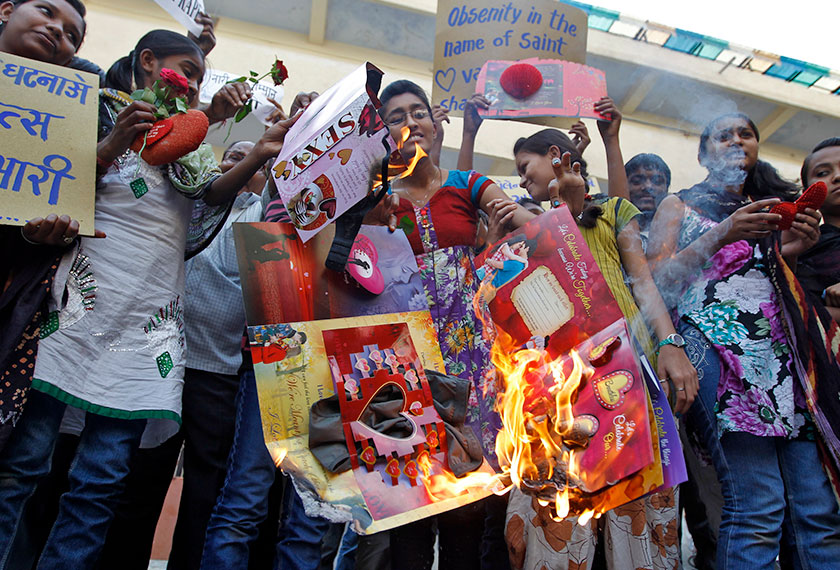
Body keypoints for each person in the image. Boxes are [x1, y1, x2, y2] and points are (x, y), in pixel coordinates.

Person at [0, 28, 298, 567]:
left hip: (146, 331)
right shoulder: (94, 112)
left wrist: (258, 153)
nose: (190, 83)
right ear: (146, 62)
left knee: (101, 483)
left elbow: (208, 194)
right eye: (184, 70)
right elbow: (49, 186)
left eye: (200, 77)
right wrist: (114, 143)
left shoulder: (193, 152)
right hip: (71, 314)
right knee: (24, 466)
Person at [502, 103, 697, 569]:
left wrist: (670, 346)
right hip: (560, 396)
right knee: (553, 536)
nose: (523, 182)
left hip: (632, 380)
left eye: (525, 169)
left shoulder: (614, 211)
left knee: (644, 536)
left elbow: (643, 283)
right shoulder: (528, 230)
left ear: (554, 155)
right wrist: (562, 213)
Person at [646, 113, 840, 569]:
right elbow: (657, 279)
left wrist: (790, 249)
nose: (737, 140)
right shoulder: (679, 205)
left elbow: (762, 276)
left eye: (746, 133)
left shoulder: (776, 206)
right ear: (702, 153)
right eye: (723, 134)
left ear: (756, 147)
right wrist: (723, 232)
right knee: (756, 507)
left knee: (818, 510)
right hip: (719, 351)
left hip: (789, 358)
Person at [366, 79, 534, 570]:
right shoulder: (377, 199)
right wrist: (372, 217)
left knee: (466, 505)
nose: (411, 122)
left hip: (472, 361)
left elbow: (528, 224)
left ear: (435, 123)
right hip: (401, 360)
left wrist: (523, 219)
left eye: (418, 112)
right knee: (409, 508)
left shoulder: (467, 184)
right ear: (386, 134)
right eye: (396, 117)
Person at [0, 0, 102, 453]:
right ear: (6, 9)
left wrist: (31, 236)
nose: (57, 30)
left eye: (71, 35)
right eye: (46, 11)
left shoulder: (70, 116)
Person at [796, 137, 840, 323]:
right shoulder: (803, 250)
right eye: (822, 172)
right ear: (808, 191)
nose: (837, 176)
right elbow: (799, 316)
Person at [624, 153, 671, 249]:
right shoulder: (609, 228)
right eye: (637, 181)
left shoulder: (678, 232)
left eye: (657, 181)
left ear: (666, 189)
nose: (648, 187)